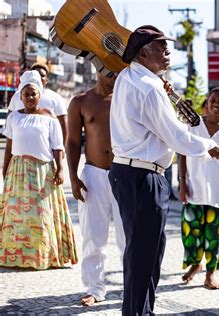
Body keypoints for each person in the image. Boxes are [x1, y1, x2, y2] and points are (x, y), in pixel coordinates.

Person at [108, 25, 219, 315]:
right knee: (144, 255)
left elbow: (171, 127)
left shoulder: (129, 77)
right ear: (144, 52)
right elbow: (177, 137)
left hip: (132, 172)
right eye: (161, 47)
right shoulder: (148, 88)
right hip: (142, 176)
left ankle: (143, 310)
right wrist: (214, 149)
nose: (168, 52)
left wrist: (170, 96)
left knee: (148, 253)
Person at [0, 71, 77, 269]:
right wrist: (4, 170)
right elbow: (9, 147)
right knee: (16, 216)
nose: (30, 98)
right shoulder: (14, 118)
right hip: (17, 172)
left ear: (40, 95)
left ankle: (43, 256)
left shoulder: (49, 118)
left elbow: (58, 146)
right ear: (20, 96)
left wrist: (60, 170)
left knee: (41, 215)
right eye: (27, 94)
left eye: (34, 94)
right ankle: (15, 256)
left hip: (42, 172)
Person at [66, 73, 125, 306]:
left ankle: (132, 284)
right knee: (93, 235)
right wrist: (73, 176)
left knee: (128, 236)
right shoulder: (80, 101)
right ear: (97, 69)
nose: (113, 74)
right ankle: (94, 287)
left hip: (124, 174)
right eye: (108, 70)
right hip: (92, 174)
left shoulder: (125, 99)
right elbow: (72, 141)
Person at [178, 87, 219, 290]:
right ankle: (195, 265)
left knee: (214, 235)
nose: (216, 104)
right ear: (207, 102)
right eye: (213, 100)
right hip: (194, 188)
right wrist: (181, 183)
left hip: (217, 192)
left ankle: (211, 273)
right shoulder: (194, 125)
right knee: (191, 232)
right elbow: (183, 153)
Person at [8, 63, 68, 143]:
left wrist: (61, 148)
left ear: (46, 79)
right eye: (36, 74)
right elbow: (9, 120)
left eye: (42, 75)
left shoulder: (56, 98)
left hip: (46, 151)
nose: (38, 78)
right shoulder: (17, 96)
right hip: (20, 150)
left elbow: (63, 125)